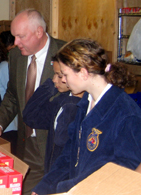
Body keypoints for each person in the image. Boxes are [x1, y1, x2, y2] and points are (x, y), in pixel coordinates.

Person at [31, 38, 141, 195]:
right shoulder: (84, 104)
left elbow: (125, 170)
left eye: (65, 74)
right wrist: (45, 186)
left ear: (83, 73)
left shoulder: (126, 113)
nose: (63, 80)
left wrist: (74, 188)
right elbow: (69, 154)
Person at [0, 8, 66, 194]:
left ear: (39, 32)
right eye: (14, 37)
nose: (15, 42)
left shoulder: (65, 53)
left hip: (57, 143)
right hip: (27, 142)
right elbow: (13, 95)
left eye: (21, 36)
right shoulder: (15, 56)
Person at [23, 56, 83, 175]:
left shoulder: (75, 106)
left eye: (60, 76)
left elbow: (63, 144)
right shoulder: (62, 100)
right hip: (52, 173)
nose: (54, 79)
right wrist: (49, 88)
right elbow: (30, 117)